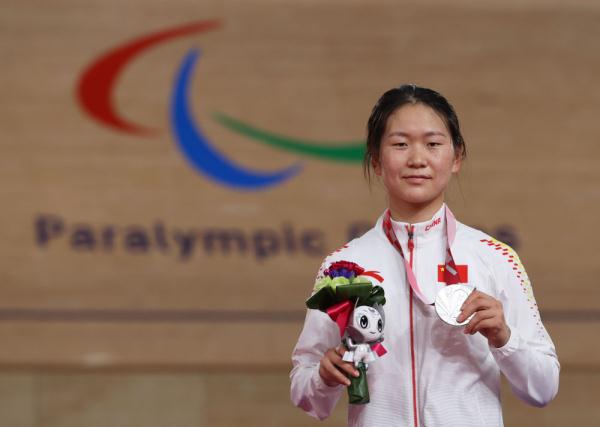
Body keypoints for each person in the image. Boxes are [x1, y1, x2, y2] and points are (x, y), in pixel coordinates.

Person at [290, 84, 559, 427]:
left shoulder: (494, 258)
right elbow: (306, 395)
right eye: (400, 144)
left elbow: (544, 387)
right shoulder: (343, 268)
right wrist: (323, 378)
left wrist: (504, 338)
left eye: (433, 144)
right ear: (376, 160)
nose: (417, 159)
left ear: (456, 157)